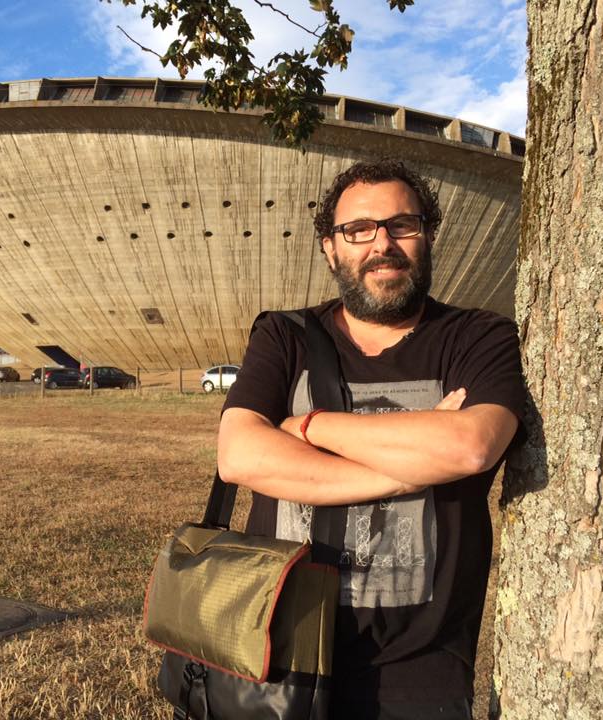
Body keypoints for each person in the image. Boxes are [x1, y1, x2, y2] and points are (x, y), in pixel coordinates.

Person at [217, 158, 525, 719]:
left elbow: (471, 447)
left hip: (420, 673)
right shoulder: (283, 336)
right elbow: (239, 453)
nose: (382, 244)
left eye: (402, 225)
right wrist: (411, 462)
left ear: (428, 236)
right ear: (331, 249)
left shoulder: (479, 336)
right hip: (277, 656)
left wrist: (308, 428)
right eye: (358, 230)